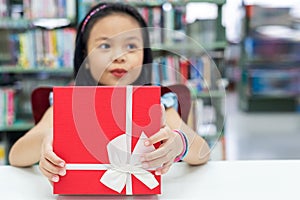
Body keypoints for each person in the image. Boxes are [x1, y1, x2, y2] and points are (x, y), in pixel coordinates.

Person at [9, 2, 210, 184]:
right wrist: (49, 140)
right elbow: (16, 156)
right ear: (84, 55)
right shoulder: (70, 103)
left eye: (131, 46)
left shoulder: (155, 102)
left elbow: (202, 151)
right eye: (105, 45)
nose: (119, 57)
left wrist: (179, 145)